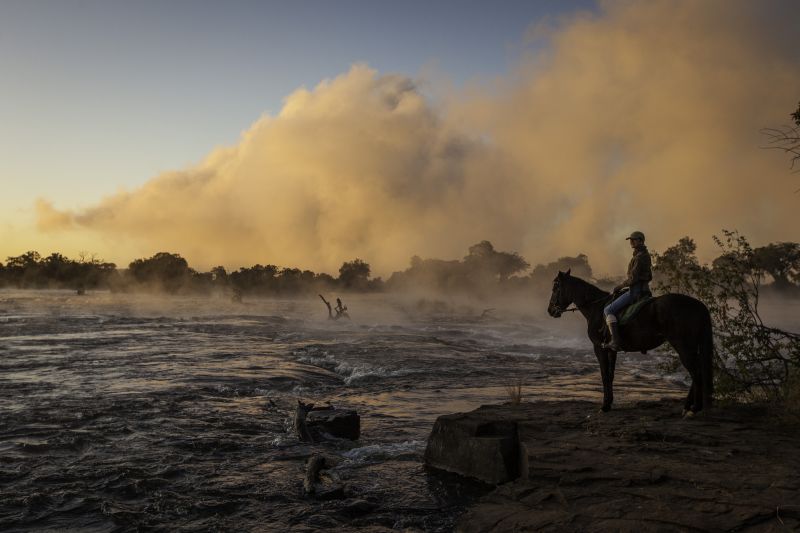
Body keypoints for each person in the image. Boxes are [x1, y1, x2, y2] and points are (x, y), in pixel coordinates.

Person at [602, 231, 652, 350]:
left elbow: (633, 278)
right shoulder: (642, 255)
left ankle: (615, 341)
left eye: (633, 239)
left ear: (640, 241)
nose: (631, 242)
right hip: (643, 290)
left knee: (608, 309)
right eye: (631, 240)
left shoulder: (639, 257)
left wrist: (619, 286)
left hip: (635, 292)